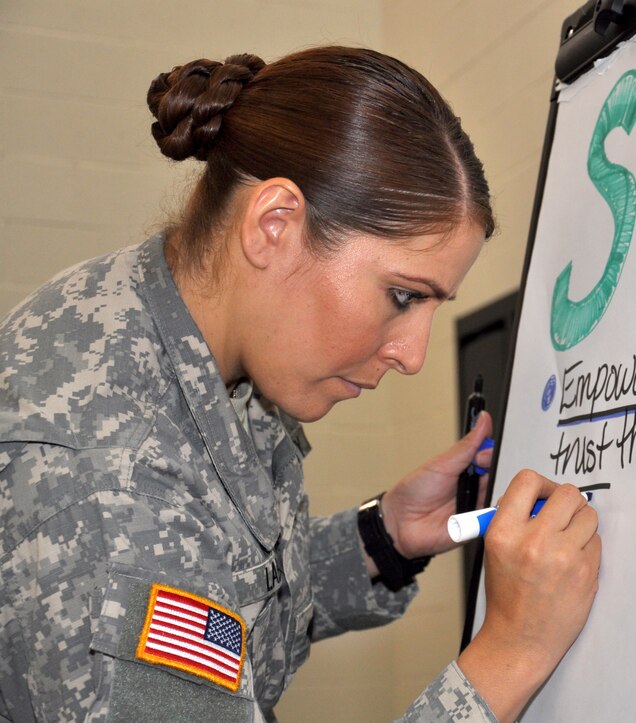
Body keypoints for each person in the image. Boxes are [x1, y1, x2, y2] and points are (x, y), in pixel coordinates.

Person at [0, 47, 601, 722]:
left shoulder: (168, 322)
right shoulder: (108, 480)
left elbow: (207, 598)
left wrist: (383, 538)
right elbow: (148, 555)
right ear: (274, 225)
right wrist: (509, 655)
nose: (412, 355)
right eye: (403, 295)